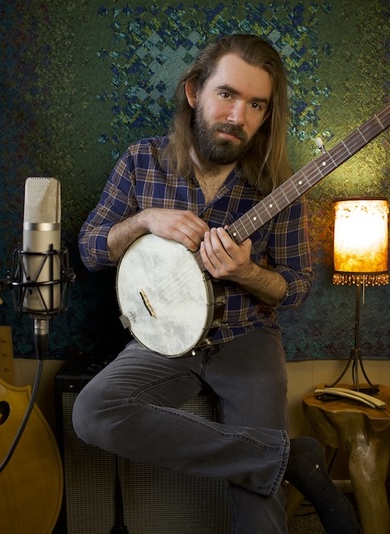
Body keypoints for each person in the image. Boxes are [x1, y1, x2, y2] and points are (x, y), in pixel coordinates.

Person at [74, 34, 359, 533]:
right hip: (161, 337)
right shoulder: (141, 161)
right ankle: (287, 458)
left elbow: (295, 288)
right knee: (93, 412)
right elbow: (91, 249)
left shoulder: (281, 186)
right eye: (226, 94)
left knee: (258, 505)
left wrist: (245, 272)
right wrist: (144, 221)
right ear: (194, 92)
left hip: (248, 337)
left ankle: (269, 464)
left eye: (256, 104)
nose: (237, 116)